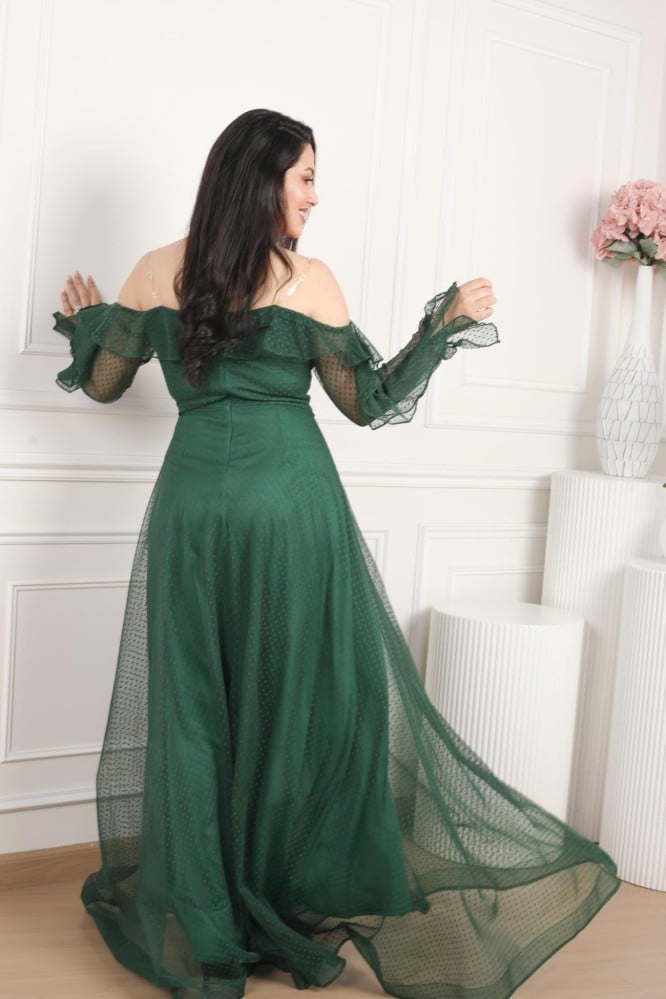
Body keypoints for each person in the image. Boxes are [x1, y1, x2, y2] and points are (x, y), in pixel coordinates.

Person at [54, 109, 618, 999]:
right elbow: (370, 401)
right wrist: (443, 327)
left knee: (194, 712)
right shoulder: (308, 281)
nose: (316, 196)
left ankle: (213, 920)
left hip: (194, 511)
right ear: (262, 181)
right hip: (293, 513)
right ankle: (285, 893)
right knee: (301, 705)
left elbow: (102, 382)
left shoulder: (155, 270)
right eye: (307, 176)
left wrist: (87, 323)